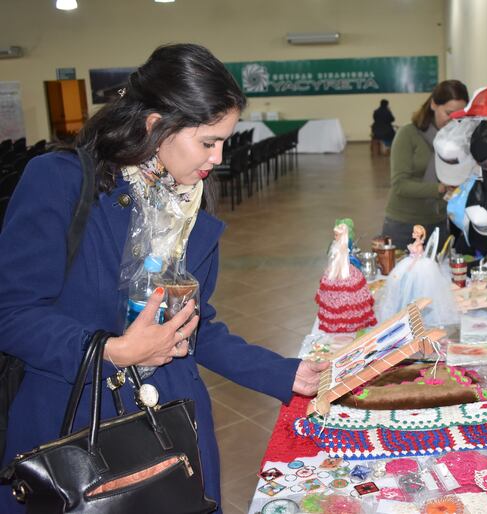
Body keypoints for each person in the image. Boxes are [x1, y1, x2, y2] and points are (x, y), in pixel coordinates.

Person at [0, 43, 327, 513]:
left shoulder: (189, 202)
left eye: (224, 142)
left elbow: (194, 327)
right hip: (73, 426)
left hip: (170, 425)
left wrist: (285, 373)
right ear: (157, 126)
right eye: (208, 141)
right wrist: (113, 351)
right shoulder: (61, 183)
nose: (217, 158)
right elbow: (12, 314)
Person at [382, 80, 469, 250]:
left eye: (460, 116)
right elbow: (400, 185)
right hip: (404, 224)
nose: (453, 120)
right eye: (449, 113)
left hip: (439, 222)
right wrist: (441, 188)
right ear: (433, 104)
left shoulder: (460, 139)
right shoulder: (408, 134)